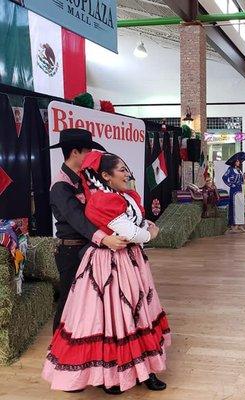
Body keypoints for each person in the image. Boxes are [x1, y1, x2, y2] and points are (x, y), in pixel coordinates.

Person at [42, 151, 170, 394]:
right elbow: (129, 232)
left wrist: (143, 228)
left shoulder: (119, 195)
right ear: (105, 175)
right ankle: (109, 374)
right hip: (106, 262)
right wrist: (149, 233)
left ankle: (144, 370)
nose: (127, 174)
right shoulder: (95, 197)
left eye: (125, 168)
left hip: (128, 261)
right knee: (109, 318)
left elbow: (136, 224)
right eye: (121, 169)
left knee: (137, 313)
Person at [47, 129, 128, 334]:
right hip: (72, 252)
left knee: (90, 302)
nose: (91, 156)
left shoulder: (86, 179)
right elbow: (78, 220)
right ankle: (57, 348)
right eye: (88, 151)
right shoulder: (61, 185)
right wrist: (105, 240)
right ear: (75, 152)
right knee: (68, 301)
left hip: (89, 248)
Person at [222, 152, 245, 232]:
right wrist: (231, 185)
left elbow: (243, 181)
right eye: (237, 161)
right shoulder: (230, 169)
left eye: (239, 161)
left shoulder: (239, 171)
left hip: (240, 190)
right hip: (234, 190)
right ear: (234, 162)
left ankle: (240, 225)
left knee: (241, 207)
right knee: (234, 207)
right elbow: (224, 178)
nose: (239, 162)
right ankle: (234, 225)